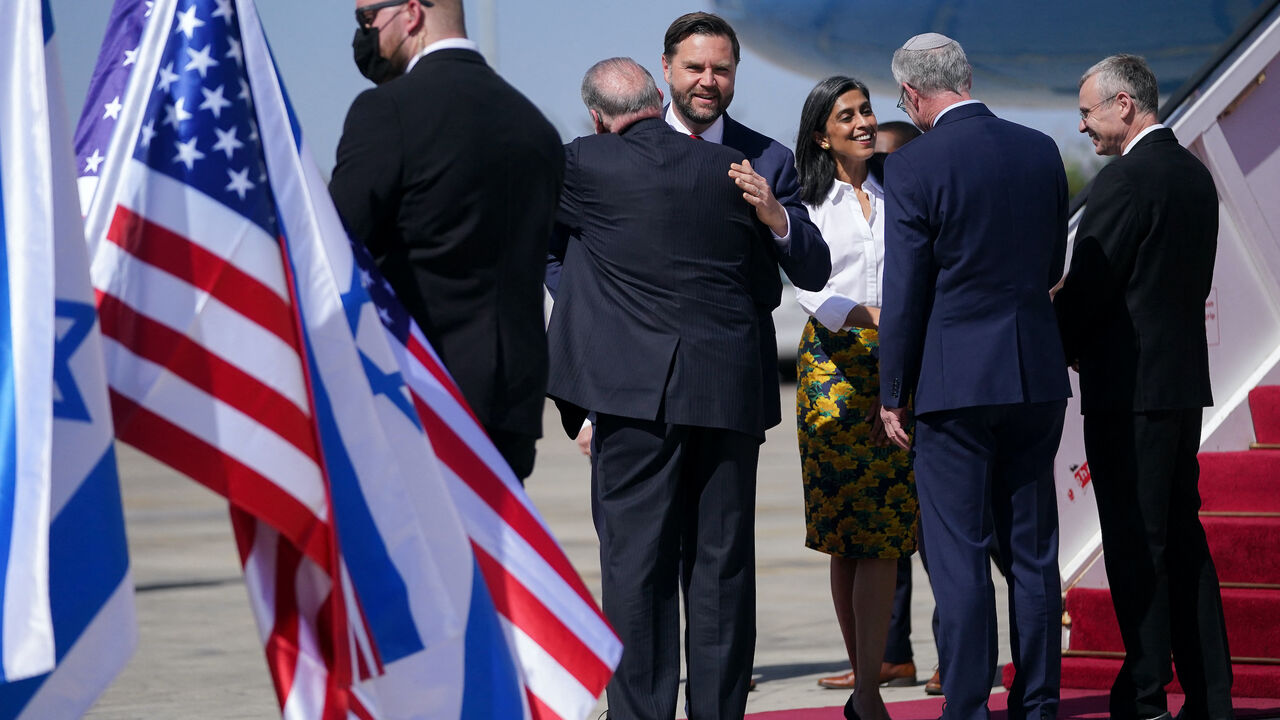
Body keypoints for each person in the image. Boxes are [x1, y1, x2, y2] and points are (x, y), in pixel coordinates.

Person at [547, 56, 829, 720]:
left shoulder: (582, 163)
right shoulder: (731, 170)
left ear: (597, 117)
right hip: (727, 391)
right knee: (722, 571)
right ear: (657, 94)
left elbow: (534, 238)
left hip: (635, 399)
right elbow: (768, 287)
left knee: (637, 571)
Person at [876, 33, 1070, 720]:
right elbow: (1052, 266)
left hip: (954, 383)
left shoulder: (913, 166)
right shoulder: (1039, 149)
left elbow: (905, 291)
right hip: (1035, 374)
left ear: (911, 95)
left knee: (959, 556)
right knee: (1033, 551)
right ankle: (1039, 701)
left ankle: (967, 707)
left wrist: (891, 389)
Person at [1054, 54, 1232, 720]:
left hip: (1128, 392)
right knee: (1181, 538)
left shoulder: (1125, 180)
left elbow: (1093, 287)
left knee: (1137, 545)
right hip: (1181, 385)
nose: (1082, 127)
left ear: (1123, 104)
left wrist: (1063, 339)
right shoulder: (1192, 176)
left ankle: (1147, 693)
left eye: (1087, 112)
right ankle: (1212, 694)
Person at [329, 0, 563, 480]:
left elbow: (333, 246)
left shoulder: (386, 111)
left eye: (367, 19)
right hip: (512, 403)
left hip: (421, 394)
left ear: (411, 13)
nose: (364, 33)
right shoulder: (535, 126)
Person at [791, 76, 919, 720]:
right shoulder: (807, 202)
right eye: (847, 116)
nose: (865, 122)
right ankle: (866, 682)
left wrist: (899, 344)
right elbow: (817, 296)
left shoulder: (902, 190)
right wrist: (888, 316)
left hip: (898, 366)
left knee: (888, 531)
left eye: (867, 110)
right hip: (832, 378)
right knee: (846, 533)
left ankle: (870, 684)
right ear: (823, 134)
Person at [660, 12, 831, 434]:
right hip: (642, 387)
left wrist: (778, 217)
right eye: (694, 68)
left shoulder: (768, 159)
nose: (708, 80)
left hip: (733, 384)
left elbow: (814, 270)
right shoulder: (622, 151)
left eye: (721, 70)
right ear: (666, 67)